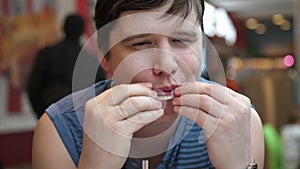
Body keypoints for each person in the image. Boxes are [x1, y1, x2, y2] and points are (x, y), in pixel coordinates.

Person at [32, 0, 264, 169]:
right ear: (104, 54)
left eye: (181, 41)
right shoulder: (61, 129)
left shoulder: (239, 122)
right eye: (142, 43)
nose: (166, 64)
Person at [27, 13, 106, 119]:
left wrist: (42, 115)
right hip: (81, 120)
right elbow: (101, 92)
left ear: (63, 28)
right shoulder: (91, 60)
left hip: (51, 115)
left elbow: (33, 87)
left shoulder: (46, 54)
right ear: (82, 31)